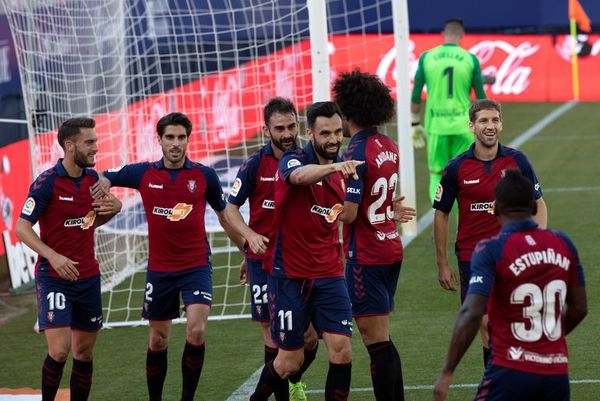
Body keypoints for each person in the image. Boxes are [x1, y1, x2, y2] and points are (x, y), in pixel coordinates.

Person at [91, 112, 243, 401]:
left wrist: (244, 252)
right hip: (160, 270)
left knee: (196, 332)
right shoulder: (144, 173)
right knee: (158, 341)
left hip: (196, 265)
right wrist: (106, 188)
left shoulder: (203, 176)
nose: (175, 143)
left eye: (181, 137)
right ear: (159, 140)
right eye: (169, 137)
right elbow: (103, 175)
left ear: (188, 139)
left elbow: (225, 218)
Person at [433, 169, 587, 401]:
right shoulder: (563, 244)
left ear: (496, 209)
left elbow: (472, 312)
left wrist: (447, 371)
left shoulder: (490, 249)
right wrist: (545, 339)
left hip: (510, 371)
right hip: (556, 373)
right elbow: (579, 308)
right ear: (534, 208)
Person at [249, 101, 363, 401]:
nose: (333, 139)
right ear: (310, 133)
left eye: (338, 132)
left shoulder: (347, 168)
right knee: (289, 362)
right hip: (290, 276)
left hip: (329, 274)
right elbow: (298, 177)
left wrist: (389, 208)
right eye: (325, 133)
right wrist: (333, 167)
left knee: (342, 350)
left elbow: (348, 215)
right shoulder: (293, 159)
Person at [433, 99, 548, 365]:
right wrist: (442, 263)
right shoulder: (456, 168)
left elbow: (539, 204)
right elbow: (441, 213)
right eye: (484, 121)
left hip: (511, 255)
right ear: (471, 126)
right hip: (472, 258)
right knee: (485, 322)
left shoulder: (517, 161)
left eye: (495, 120)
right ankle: (497, 379)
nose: (490, 126)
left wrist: (536, 242)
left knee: (508, 323)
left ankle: (505, 378)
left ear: (501, 124)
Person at [15, 117, 122, 401]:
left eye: (95, 141)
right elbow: (22, 228)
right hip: (54, 277)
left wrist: (116, 208)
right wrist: (53, 256)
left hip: (88, 276)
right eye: (89, 142)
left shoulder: (94, 182)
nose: (96, 148)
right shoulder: (46, 183)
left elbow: (90, 221)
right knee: (60, 350)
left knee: (84, 352)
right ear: (69, 145)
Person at [225, 97, 317, 401]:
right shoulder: (254, 164)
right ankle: (284, 394)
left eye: (292, 126)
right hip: (263, 262)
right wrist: (248, 238)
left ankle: (293, 381)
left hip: (302, 259)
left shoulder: (309, 158)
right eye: (280, 128)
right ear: (267, 130)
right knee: (273, 336)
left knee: (310, 337)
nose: (288, 133)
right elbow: (230, 209)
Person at [332, 70, 416, 401]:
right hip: (389, 246)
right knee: (382, 337)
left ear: (347, 112)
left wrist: (322, 211)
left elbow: (350, 212)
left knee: (375, 341)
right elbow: (374, 198)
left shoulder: (354, 152)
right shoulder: (389, 145)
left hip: (364, 255)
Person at [411, 18, 487, 203]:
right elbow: (481, 99)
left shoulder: (427, 57)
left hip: (437, 127)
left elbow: (415, 94)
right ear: (462, 36)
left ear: (443, 35)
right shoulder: (470, 59)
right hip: (463, 127)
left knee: (437, 174)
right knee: (466, 176)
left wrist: (414, 122)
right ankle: (466, 224)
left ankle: (438, 220)